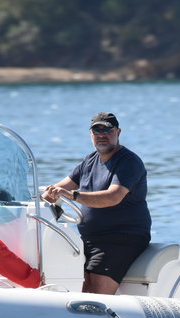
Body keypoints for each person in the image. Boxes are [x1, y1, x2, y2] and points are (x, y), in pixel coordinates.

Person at [42, 112, 151, 295]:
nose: (102, 135)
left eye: (107, 130)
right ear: (90, 134)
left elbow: (113, 197)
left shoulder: (129, 162)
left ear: (118, 132)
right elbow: (58, 188)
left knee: (94, 294)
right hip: (88, 239)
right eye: (96, 131)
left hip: (120, 239)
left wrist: (72, 195)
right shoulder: (89, 161)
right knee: (71, 283)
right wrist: (41, 198)